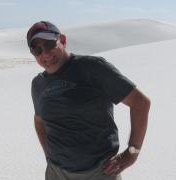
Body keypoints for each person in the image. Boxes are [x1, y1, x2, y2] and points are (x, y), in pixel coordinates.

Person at [27, 21, 151, 180]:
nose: (46, 54)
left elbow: (140, 103)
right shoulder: (38, 84)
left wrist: (132, 153)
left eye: (50, 44)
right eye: (37, 50)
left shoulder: (92, 68)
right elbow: (39, 121)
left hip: (98, 172)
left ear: (63, 40)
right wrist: (49, 157)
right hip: (56, 173)